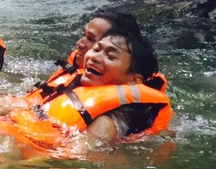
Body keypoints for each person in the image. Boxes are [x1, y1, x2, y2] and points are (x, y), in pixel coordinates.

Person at [0, 25, 172, 148]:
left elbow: (71, 157)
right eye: (96, 49)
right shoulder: (75, 87)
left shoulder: (107, 123)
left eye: (110, 56)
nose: (94, 57)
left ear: (134, 81)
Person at [25, 11, 166, 105]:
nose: (79, 44)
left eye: (90, 39)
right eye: (97, 48)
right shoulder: (78, 74)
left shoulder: (117, 117)